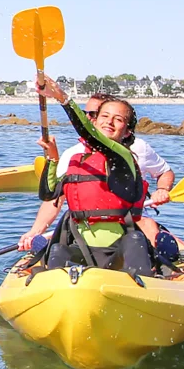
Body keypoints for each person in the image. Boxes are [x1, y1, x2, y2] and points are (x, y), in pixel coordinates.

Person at [18, 77, 157, 276]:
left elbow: (91, 135)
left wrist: (62, 97)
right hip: (84, 248)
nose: (109, 121)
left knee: (135, 241)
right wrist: (52, 159)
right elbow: (49, 194)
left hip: (120, 249)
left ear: (127, 132)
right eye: (104, 116)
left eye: (118, 119)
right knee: (57, 250)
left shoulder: (123, 156)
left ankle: (142, 288)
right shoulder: (78, 160)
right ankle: (58, 293)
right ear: (95, 120)